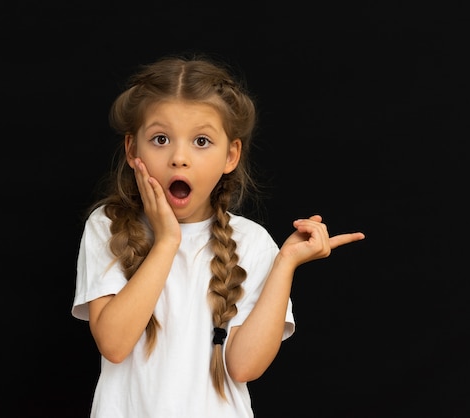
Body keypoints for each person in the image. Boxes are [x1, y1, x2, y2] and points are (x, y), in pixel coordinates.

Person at [71, 52, 365, 418]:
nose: (179, 158)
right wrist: (166, 242)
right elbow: (114, 344)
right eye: (161, 139)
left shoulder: (253, 242)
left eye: (201, 142)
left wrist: (284, 265)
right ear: (133, 150)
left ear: (231, 155)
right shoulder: (108, 225)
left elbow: (244, 368)